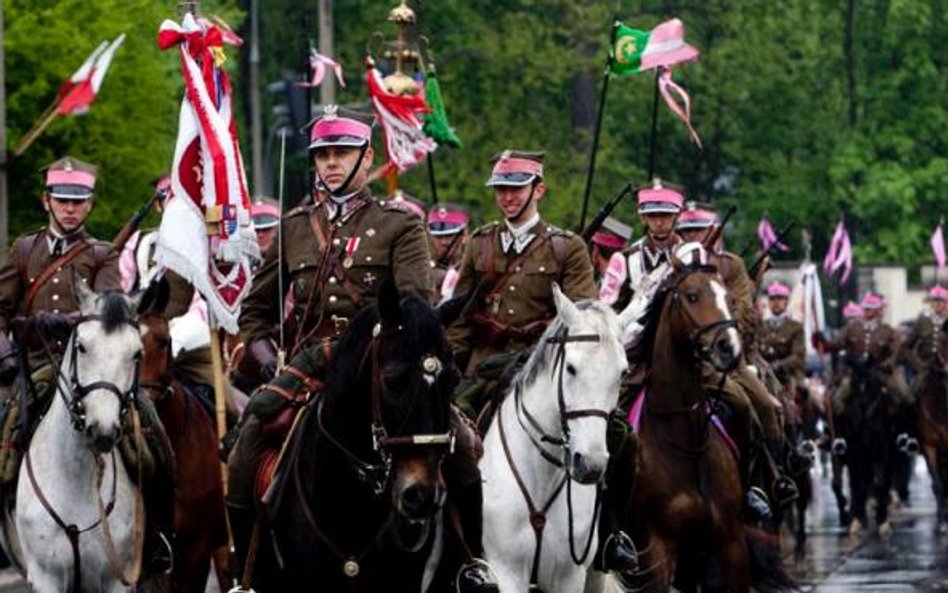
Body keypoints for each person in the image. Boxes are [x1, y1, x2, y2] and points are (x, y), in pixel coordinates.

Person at [229, 105, 496, 591]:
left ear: (366, 156)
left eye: (342, 153)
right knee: (247, 440)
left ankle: (470, 560)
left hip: (384, 362)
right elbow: (255, 312)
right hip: (311, 368)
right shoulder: (293, 226)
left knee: (461, 446)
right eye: (323, 154)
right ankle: (244, 573)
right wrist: (269, 360)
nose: (331, 163)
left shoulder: (399, 224)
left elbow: (417, 308)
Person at [0, 156, 173, 573]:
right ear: (47, 202)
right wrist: (7, 353)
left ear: (90, 205)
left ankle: (157, 538)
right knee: (2, 438)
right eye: (63, 200)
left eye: (79, 201)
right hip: (37, 366)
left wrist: (64, 322)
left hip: (95, 369)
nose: (70, 208)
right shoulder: (24, 250)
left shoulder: (101, 255)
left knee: (153, 444)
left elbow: (110, 313)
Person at [445, 150, 597, 384]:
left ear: (538, 190)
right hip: (483, 369)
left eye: (516, 189)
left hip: (542, 367)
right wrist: (451, 368)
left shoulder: (568, 247)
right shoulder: (479, 243)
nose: (507, 198)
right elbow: (461, 318)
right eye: (500, 189)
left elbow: (582, 318)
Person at [604, 180, 683, 310]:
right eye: (651, 215)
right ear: (642, 218)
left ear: (677, 215)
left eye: (665, 215)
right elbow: (605, 311)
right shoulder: (624, 259)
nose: (658, 223)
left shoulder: (691, 255)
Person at [428, 202, 470, 304]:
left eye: (449, 236)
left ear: (464, 235)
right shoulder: (423, 270)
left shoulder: (473, 268)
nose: (443, 242)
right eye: (438, 237)